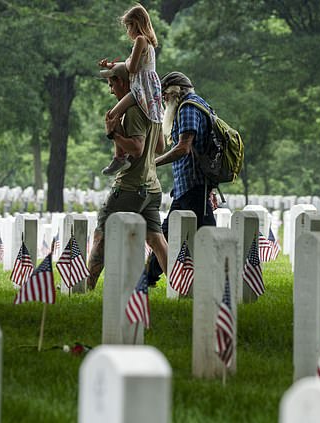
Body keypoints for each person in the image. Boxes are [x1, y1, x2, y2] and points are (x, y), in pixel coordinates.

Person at [87, 63, 167, 290]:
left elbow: (137, 148)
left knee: (102, 231)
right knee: (157, 241)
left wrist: (113, 134)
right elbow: (159, 146)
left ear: (122, 82)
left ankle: (86, 286)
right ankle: (180, 288)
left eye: (112, 84)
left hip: (130, 187)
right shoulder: (152, 109)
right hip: (151, 188)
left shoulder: (132, 111)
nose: (111, 90)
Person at [145, 71, 216, 285]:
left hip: (192, 185)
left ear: (175, 91)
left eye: (165, 95)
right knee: (180, 234)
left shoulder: (187, 108)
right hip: (191, 186)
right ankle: (148, 277)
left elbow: (183, 148)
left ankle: (147, 278)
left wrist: (153, 162)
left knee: (168, 235)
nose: (164, 100)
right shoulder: (198, 104)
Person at [98, 4, 163, 176]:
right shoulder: (147, 44)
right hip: (147, 89)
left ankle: (119, 157)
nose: (128, 31)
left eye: (128, 26)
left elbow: (132, 68)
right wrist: (112, 65)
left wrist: (123, 63)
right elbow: (131, 65)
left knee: (112, 114)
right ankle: (123, 155)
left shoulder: (140, 40)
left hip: (141, 90)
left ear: (135, 23)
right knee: (117, 115)